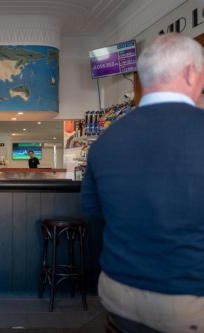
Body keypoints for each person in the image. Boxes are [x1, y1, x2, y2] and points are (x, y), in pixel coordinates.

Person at [82, 34, 204, 333]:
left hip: (119, 292)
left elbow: (92, 212)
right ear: (191, 73)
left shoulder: (105, 141)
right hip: (188, 296)